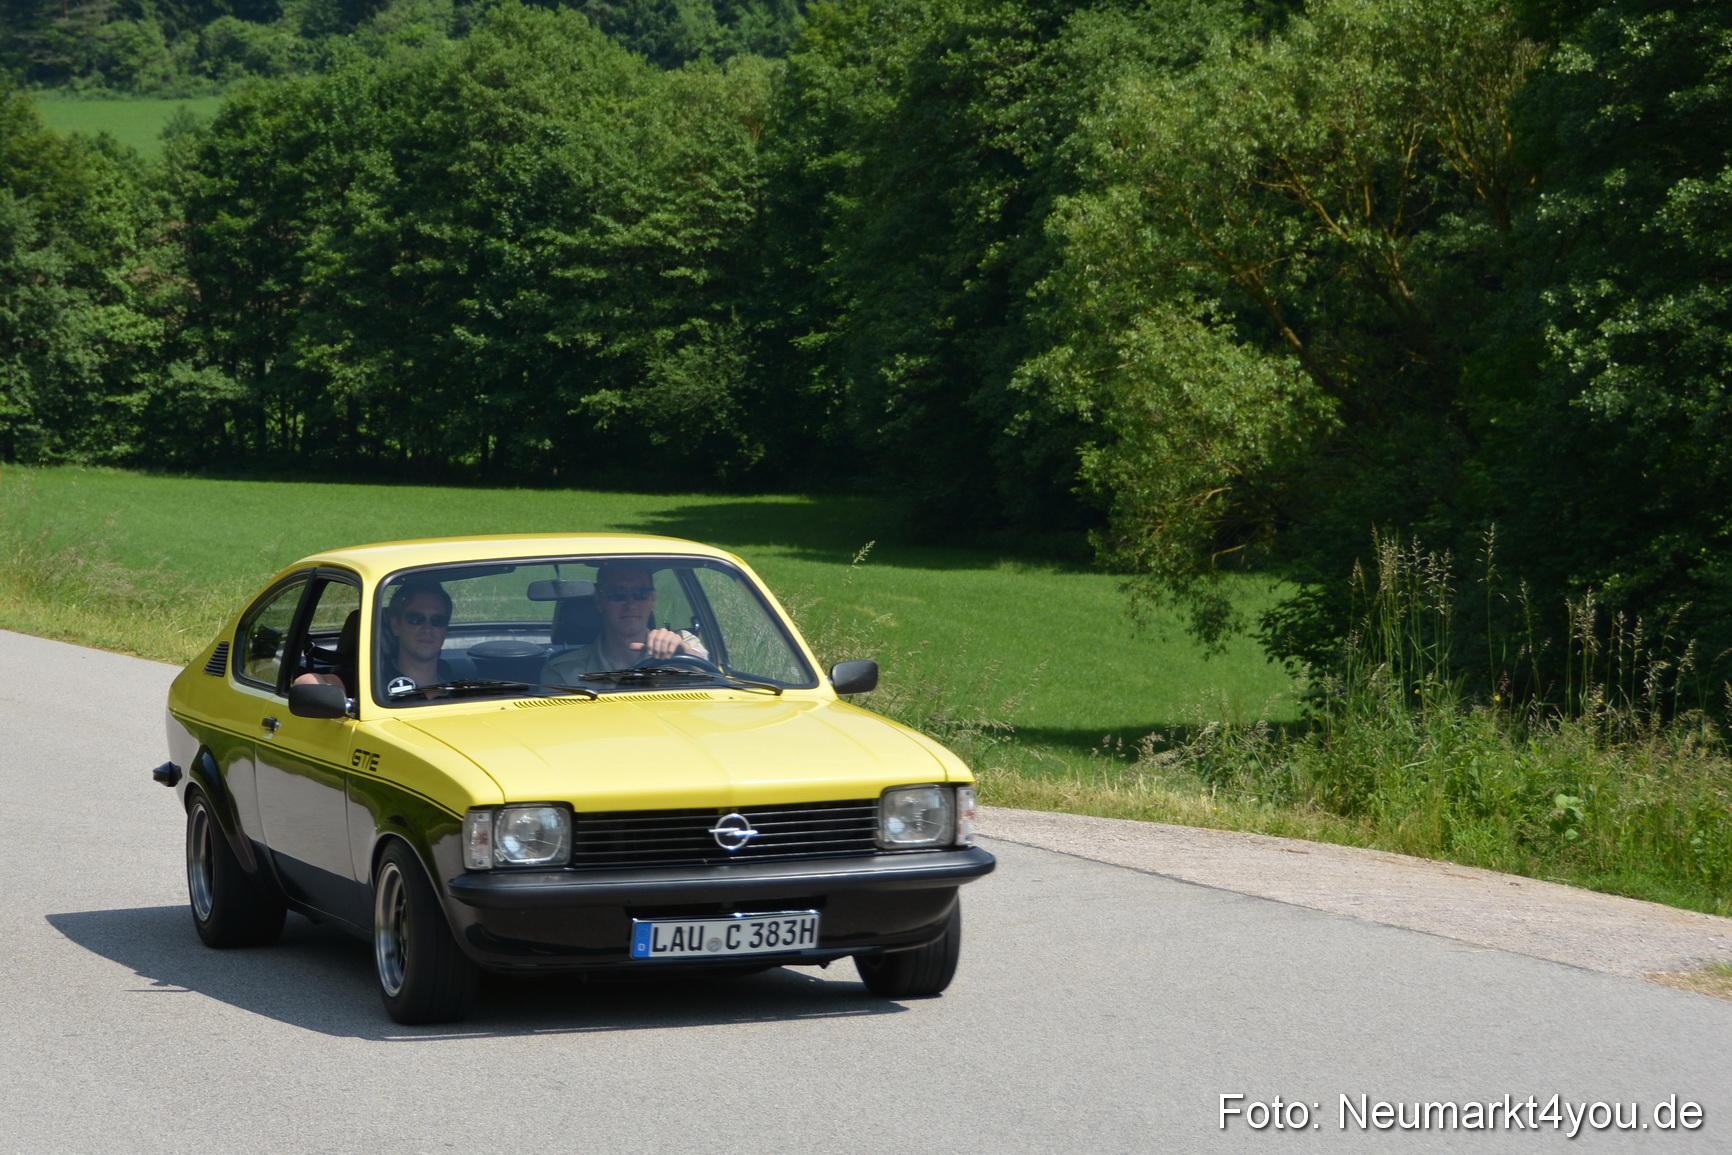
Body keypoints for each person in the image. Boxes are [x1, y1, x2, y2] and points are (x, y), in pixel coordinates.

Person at [542, 564, 706, 683]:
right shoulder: (563, 672)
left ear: (653, 599)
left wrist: (684, 656)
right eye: (618, 594)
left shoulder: (683, 642)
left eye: (640, 593)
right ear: (600, 602)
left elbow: (716, 684)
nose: (631, 604)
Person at [378, 581, 455, 696]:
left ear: (445, 630)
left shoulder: (463, 689)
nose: (427, 628)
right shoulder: (375, 691)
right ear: (396, 626)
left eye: (437, 620)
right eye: (416, 619)